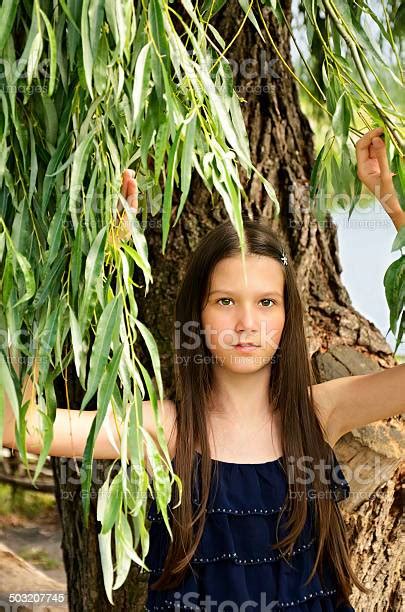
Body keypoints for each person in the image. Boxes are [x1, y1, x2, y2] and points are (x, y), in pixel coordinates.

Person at [2, 127, 404, 611]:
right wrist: (70, 269)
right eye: (226, 301)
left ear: (286, 316)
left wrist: (391, 201)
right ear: (198, 313)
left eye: (266, 302)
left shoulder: (321, 413)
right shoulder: (164, 429)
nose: (246, 324)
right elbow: (18, 425)